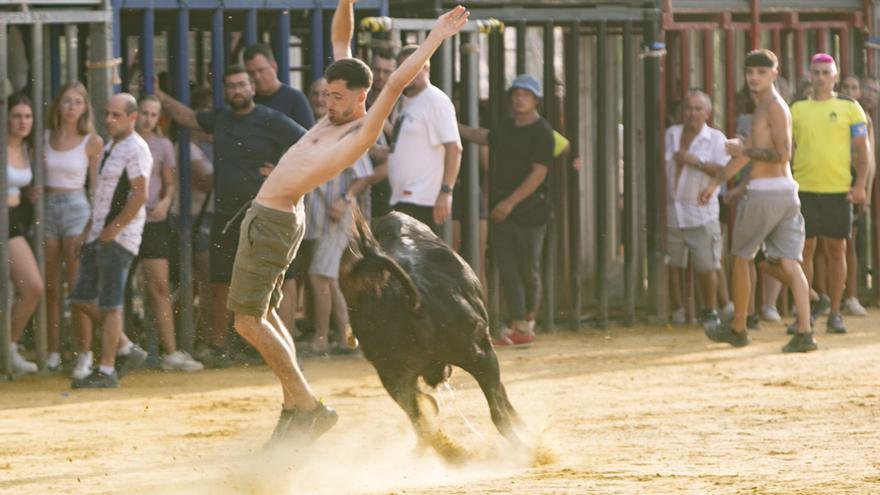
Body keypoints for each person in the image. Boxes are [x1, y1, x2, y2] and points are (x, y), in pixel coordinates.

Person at [224, 0, 469, 446]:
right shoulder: (335, 112)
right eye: (326, 94)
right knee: (263, 316)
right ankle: (295, 405)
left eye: (337, 96)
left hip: (276, 217)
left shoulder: (363, 128)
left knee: (247, 322)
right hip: (278, 215)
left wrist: (436, 36)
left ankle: (308, 407)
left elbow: (394, 82)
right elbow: (342, 39)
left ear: (361, 97)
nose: (327, 103)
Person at [153, 66, 306, 366]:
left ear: (252, 88)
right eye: (232, 86)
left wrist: (281, 170)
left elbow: (305, 141)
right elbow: (188, 117)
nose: (237, 91)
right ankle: (219, 345)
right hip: (226, 215)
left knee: (268, 285)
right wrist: (159, 95)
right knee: (220, 281)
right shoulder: (221, 118)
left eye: (242, 85)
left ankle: (275, 349)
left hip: (263, 213)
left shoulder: (270, 118)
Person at [699, 49, 815, 353]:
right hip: (784, 192)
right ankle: (805, 332)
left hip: (767, 193)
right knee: (790, 264)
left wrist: (743, 150)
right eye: (750, 72)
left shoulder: (774, 107)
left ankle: (738, 326)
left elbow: (782, 154)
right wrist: (716, 182)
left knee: (741, 259)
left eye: (761, 72)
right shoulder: (764, 106)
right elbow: (748, 152)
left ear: (775, 74)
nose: (754, 77)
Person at [458, 74, 554, 346]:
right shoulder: (507, 127)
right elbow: (483, 136)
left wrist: (509, 203)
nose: (519, 98)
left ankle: (528, 323)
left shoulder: (543, 133)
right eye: (516, 93)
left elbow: (538, 175)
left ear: (536, 99)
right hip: (502, 210)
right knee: (508, 268)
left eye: (525, 94)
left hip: (529, 212)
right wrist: (452, 126)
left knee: (528, 268)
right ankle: (517, 323)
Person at [69, 93, 152, 387]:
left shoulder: (136, 148)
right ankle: (125, 349)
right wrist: (88, 231)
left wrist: (113, 230)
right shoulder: (110, 147)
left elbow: (140, 194)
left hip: (118, 237)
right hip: (100, 233)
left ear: (132, 118)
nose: (109, 120)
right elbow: (102, 198)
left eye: (116, 115)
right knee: (81, 298)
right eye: (107, 114)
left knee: (110, 303)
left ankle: (107, 369)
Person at [790, 54, 870, 334]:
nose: (821, 77)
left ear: (834, 76)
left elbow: (863, 151)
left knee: (838, 251)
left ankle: (835, 312)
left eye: (826, 72)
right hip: (804, 190)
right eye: (816, 72)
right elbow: (787, 149)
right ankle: (806, 312)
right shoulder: (796, 108)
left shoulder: (850, 107)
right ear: (809, 76)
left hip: (838, 190)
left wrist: (860, 185)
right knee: (804, 251)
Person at [134, 95, 204, 371]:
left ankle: (171, 351)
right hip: (126, 221)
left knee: (159, 286)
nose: (148, 119)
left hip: (153, 219)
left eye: (153, 114)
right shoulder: (122, 142)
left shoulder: (163, 145)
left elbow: (169, 183)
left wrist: (164, 203)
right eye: (144, 113)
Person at [43, 82, 104, 375]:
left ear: (85, 108)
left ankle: (84, 353)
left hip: (76, 208)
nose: (71, 107)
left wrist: (91, 226)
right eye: (67, 101)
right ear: (58, 105)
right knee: (51, 286)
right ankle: (53, 351)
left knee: (77, 286)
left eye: (77, 102)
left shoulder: (91, 141)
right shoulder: (44, 137)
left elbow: (96, 188)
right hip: (47, 206)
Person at [663, 90, 730, 331]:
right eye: (688, 108)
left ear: (707, 113)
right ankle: (678, 309)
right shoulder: (671, 134)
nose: (692, 114)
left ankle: (710, 310)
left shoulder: (715, 139)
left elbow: (725, 172)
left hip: (700, 212)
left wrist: (695, 161)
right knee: (673, 264)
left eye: (697, 109)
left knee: (707, 266)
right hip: (673, 211)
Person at [386, 44, 462, 234]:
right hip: (402, 198)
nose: (407, 72)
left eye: (413, 66)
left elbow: (454, 148)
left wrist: (446, 193)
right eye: (403, 67)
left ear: (426, 68)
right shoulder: (403, 100)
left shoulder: (436, 100)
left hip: (422, 201)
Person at [303, 153, 373, 356]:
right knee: (328, 279)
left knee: (319, 277)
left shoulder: (349, 133)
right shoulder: (321, 131)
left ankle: (321, 341)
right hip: (321, 221)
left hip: (337, 220)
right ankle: (347, 341)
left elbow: (365, 175)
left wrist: (345, 199)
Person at [5, 93, 43, 374]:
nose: (22, 122)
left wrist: (29, 194)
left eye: (27, 116)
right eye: (17, 116)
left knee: (32, 287)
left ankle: (9, 347)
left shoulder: (29, 149)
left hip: (14, 223)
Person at [837, 74, 871, 317]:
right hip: (831, 180)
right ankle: (829, 297)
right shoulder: (834, 110)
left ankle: (851, 296)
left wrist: (864, 186)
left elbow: (870, 158)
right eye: (846, 86)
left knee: (849, 244)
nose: (850, 90)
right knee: (820, 246)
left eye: (854, 86)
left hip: (851, 180)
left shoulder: (862, 117)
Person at [243, 43, 315, 130]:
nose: (257, 77)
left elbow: (309, 136)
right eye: (251, 73)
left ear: (274, 67)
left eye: (261, 70)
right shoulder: (248, 99)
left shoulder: (295, 98)